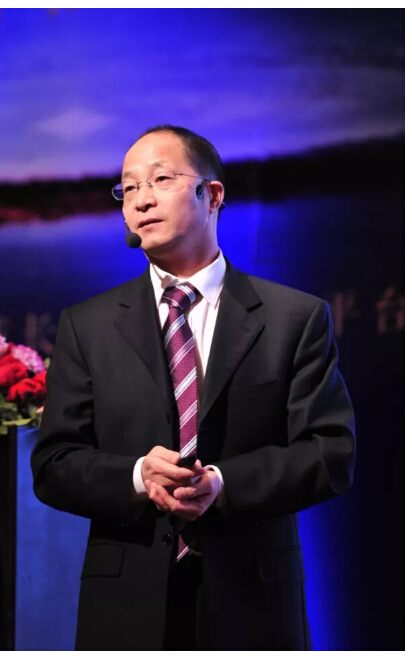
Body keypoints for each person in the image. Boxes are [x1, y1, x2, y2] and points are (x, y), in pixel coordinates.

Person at [30, 125, 356, 650]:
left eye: (160, 179)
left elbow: (330, 453)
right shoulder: (86, 326)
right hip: (126, 606)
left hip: (253, 602)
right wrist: (137, 476)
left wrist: (224, 483)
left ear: (212, 194)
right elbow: (53, 465)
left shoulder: (292, 318)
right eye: (128, 188)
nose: (141, 200)